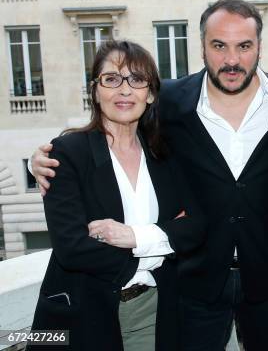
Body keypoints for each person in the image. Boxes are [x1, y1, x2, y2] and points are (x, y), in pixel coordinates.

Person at [31, 0, 268, 351]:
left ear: (259, 46)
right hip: (193, 285)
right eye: (219, 45)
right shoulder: (170, 103)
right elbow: (113, 120)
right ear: (201, 47)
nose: (231, 60)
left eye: (244, 46)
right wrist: (44, 157)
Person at [29, 40, 192, 351]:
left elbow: (194, 226)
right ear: (95, 90)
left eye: (137, 79)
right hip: (84, 314)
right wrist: (156, 249)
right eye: (112, 79)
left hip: (154, 311)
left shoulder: (167, 155)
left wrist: (134, 237)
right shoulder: (66, 153)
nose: (124, 90)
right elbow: (72, 247)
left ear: (151, 93)